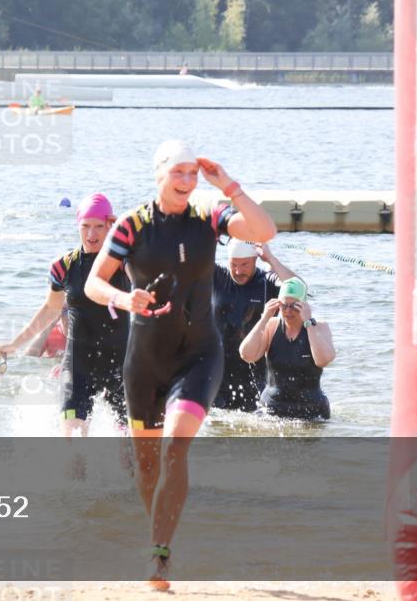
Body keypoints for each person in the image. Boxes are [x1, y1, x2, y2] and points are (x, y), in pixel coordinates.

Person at [84, 139, 276, 590]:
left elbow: (264, 231)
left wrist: (228, 185)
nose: (187, 181)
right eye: (179, 173)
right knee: (148, 466)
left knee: (175, 446)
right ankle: (159, 530)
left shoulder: (208, 216)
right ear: (159, 175)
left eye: (193, 173)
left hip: (199, 354)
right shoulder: (131, 225)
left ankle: (159, 554)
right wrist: (123, 299)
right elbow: (95, 282)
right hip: (145, 362)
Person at [0, 193, 129, 437]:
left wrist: (122, 233)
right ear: (77, 224)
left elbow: (154, 260)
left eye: (99, 226)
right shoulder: (63, 266)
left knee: (132, 450)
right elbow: (50, 309)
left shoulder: (124, 263)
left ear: (109, 225)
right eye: (85, 226)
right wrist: (14, 344)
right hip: (78, 366)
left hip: (122, 367)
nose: (91, 234)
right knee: (73, 442)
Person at [212, 239, 296, 411]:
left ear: (256, 259)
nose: (238, 271)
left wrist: (271, 259)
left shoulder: (267, 281)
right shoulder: (217, 277)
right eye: (233, 264)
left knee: (257, 419)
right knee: (218, 422)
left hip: (257, 372)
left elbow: (297, 288)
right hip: (219, 371)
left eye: (244, 264)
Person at [239, 277, 335, 420]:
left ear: (304, 305)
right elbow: (247, 355)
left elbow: (323, 360)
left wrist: (308, 323)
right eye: (284, 306)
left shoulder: (319, 327)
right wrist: (264, 318)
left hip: (312, 412)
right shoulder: (271, 326)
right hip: (272, 410)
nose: (288, 311)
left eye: (294, 306)